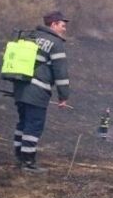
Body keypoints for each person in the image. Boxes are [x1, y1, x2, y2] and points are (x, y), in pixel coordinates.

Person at [12, 11, 71, 174]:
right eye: (62, 25)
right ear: (53, 24)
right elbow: (61, 72)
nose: (64, 29)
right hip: (37, 90)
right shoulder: (55, 43)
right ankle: (28, 162)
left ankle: (19, 157)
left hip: (20, 87)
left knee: (23, 123)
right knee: (34, 125)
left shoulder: (31, 36)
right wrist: (63, 96)